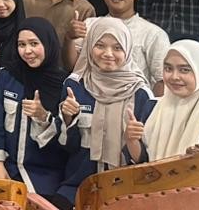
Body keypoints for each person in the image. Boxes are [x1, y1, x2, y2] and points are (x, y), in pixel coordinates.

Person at [0, 18, 77, 209]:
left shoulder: (64, 84)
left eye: (34, 43)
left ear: (48, 44)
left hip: (45, 177)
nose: (27, 51)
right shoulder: (7, 76)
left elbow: (66, 144)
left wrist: (43, 117)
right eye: (21, 44)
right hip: (7, 170)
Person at [62, 17, 152, 172]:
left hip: (125, 182)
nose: (108, 54)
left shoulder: (140, 93)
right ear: (89, 46)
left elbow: (147, 160)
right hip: (78, 181)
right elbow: (66, 149)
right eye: (100, 45)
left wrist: (132, 141)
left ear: (127, 50)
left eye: (117, 48)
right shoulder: (75, 86)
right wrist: (68, 118)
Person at [131, 40, 199, 163]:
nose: (174, 76)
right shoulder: (153, 107)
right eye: (168, 68)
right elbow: (143, 162)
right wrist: (132, 141)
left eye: (184, 70)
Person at [68, 0, 170, 95]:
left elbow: (162, 79)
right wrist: (69, 38)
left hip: (133, 102)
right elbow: (73, 66)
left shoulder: (153, 33)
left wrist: (149, 105)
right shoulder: (90, 25)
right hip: (91, 99)